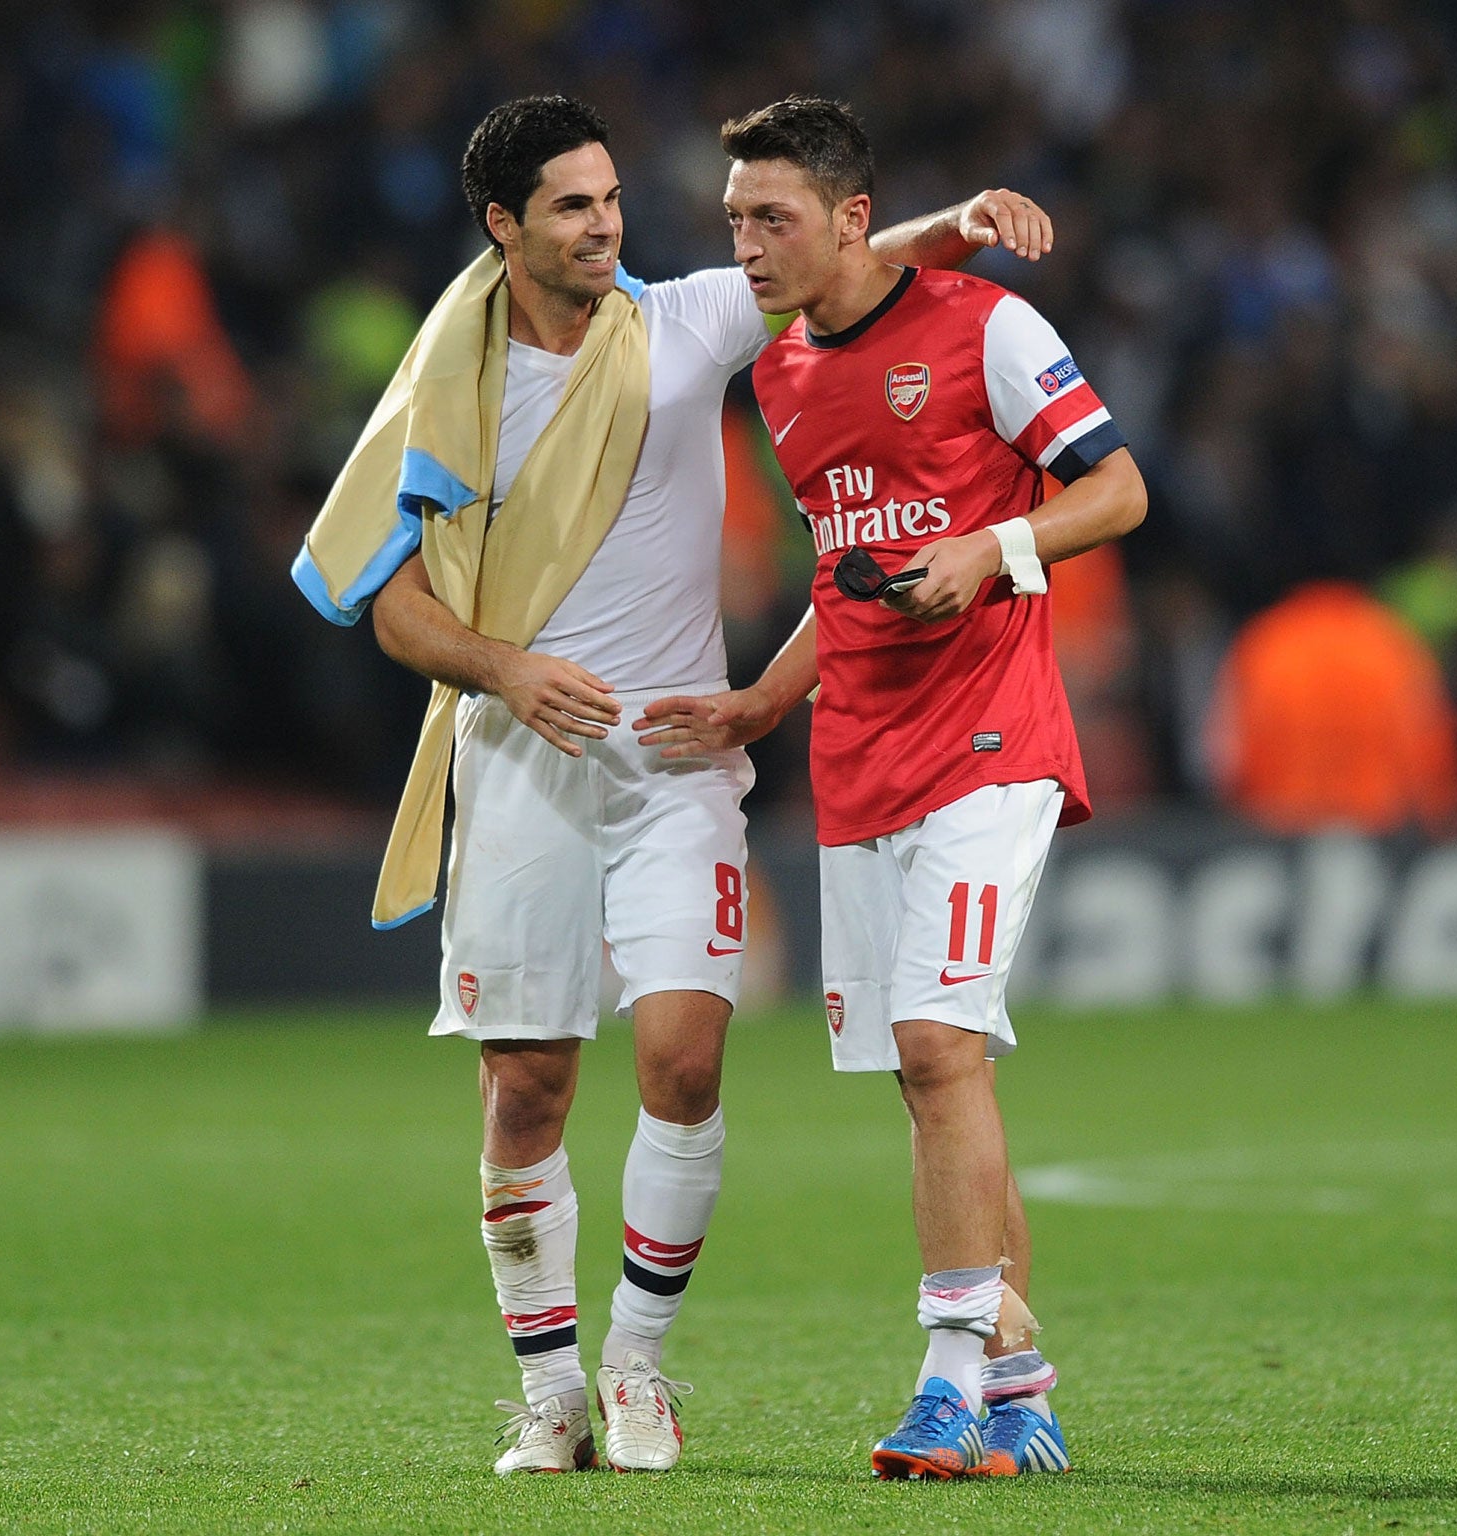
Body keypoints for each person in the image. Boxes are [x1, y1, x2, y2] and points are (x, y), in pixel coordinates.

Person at [290, 94, 1057, 1475]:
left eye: (612, 198)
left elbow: (839, 262)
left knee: (685, 1063)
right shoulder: (448, 379)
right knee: (526, 1087)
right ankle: (550, 1391)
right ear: (503, 226)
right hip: (520, 759)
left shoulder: (690, 320)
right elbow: (385, 603)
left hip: (674, 766)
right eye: (573, 206)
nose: (606, 223)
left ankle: (639, 1366)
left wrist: (966, 223)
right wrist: (503, 669)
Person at [638, 95, 1147, 1479]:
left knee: (936, 1044)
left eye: (772, 218)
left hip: (993, 739)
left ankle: (943, 1380)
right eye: (734, 218)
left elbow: (1116, 493)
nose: (743, 245)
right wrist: (758, 701)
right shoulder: (781, 378)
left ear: (852, 218)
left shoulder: (986, 327)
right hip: (859, 758)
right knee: (939, 1084)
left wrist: (993, 552)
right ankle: (1023, 1380)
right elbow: (838, 571)